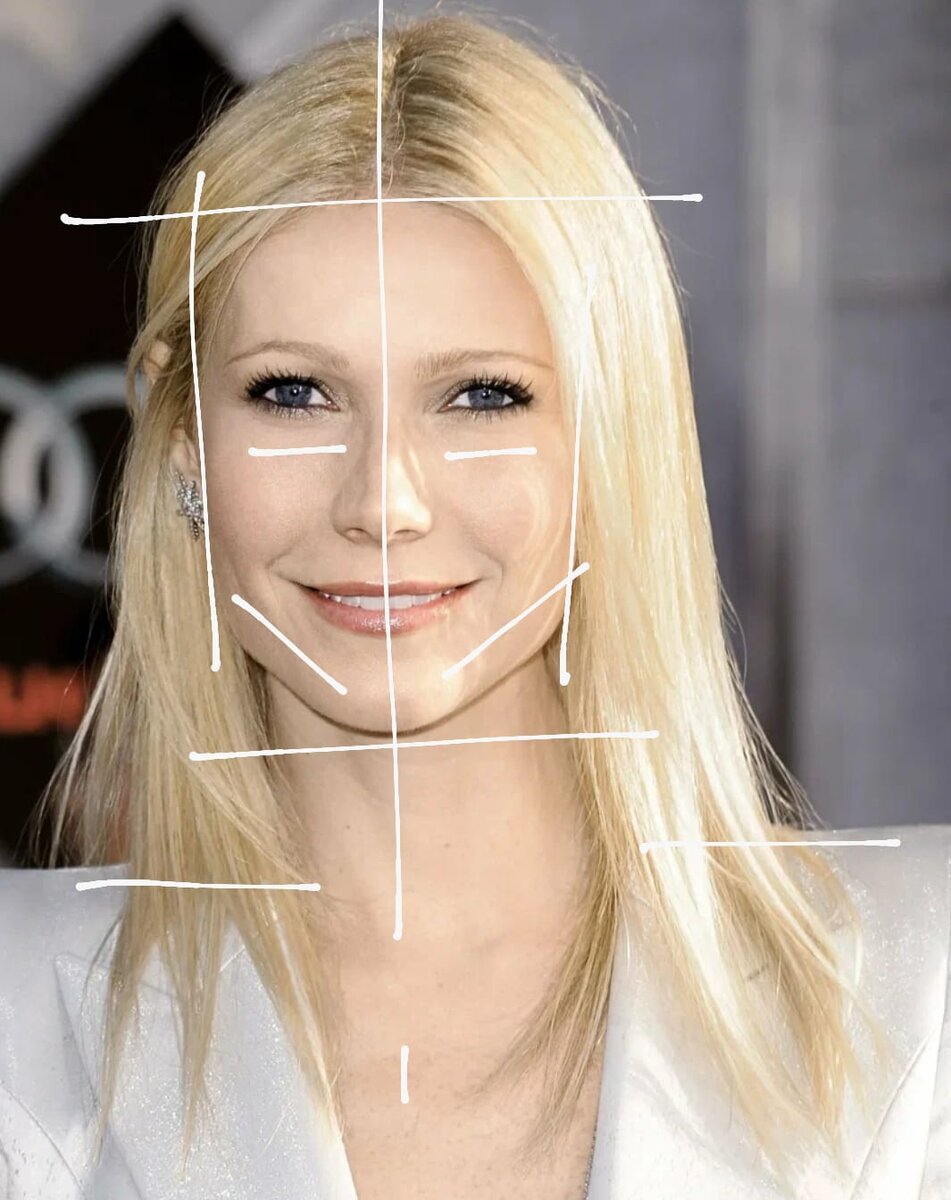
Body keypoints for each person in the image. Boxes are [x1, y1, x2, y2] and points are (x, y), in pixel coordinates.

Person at [1, 9, 948, 1199]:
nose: (382, 501)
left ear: (610, 438)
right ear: (186, 443)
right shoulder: (19, 1021)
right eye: (293, 393)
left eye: (483, 397)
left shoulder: (920, 993)